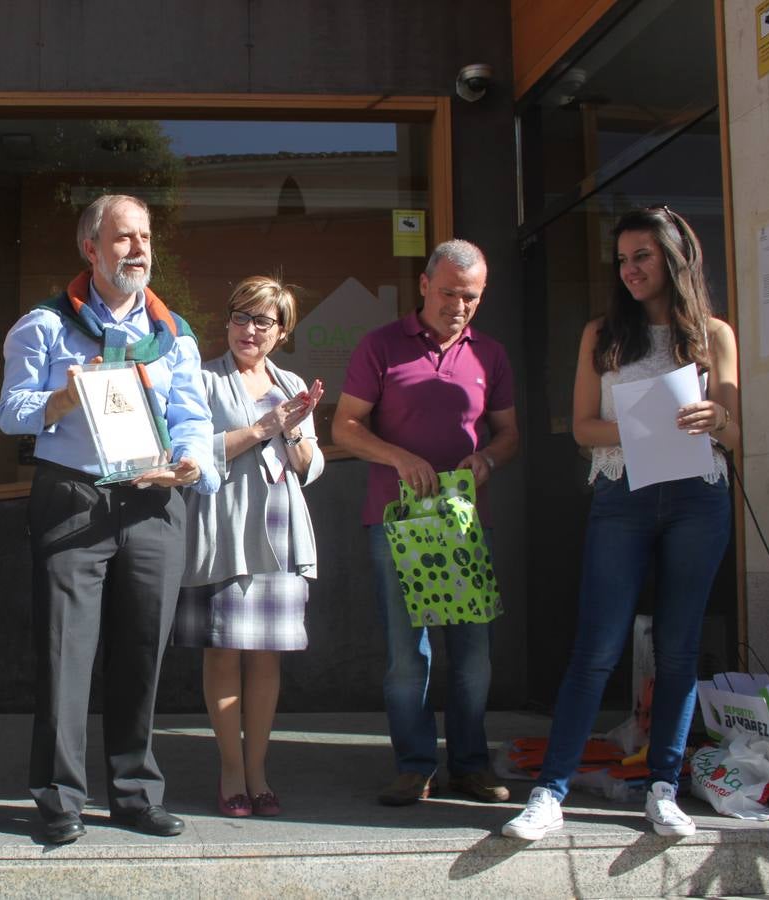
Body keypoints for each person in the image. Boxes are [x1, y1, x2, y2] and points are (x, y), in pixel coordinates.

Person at [502, 206, 738, 841]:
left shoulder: (714, 334)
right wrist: (653, 424)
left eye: (643, 256)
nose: (630, 269)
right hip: (623, 495)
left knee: (679, 648)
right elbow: (581, 429)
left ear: (674, 258)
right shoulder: (602, 333)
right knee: (597, 647)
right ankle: (548, 792)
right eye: (623, 258)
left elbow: (736, 432)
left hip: (698, 496)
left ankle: (663, 787)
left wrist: (713, 420)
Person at [0, 194, 219, 845]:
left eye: (144, 236)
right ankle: (60, 798)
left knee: (141, 652)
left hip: (154, 503)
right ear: (90, 248)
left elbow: (193, 419)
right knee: (66, 653)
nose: (138, 249)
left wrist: (187, 464)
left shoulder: (174, 333)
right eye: (123, 238)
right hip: (73, 496)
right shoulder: (41, 327)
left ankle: (133, 793)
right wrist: (67, 394)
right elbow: (11, 413)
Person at [332, 239, 519, 807]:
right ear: (424, 285)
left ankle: (469, 765)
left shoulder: (490, 354)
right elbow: (344, 427)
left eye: (471, 297)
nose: (458, 306)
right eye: (448, 293)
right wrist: (399, 458)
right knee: (407, 655)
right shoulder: (381, 346)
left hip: (462, 524)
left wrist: (488, 458)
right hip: (397, 522)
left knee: (473, 654)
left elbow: (509, 434)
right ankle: (414, 765)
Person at [173, 276, 325, 818]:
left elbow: (312, 467)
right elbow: (191, 455)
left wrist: (298, 432)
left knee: (267, 658)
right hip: (227, 528)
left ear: (281, 332)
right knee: (224, 653)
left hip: (282, 529)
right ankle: (231, 772)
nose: (249, 330)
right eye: (241, 316)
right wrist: (266, 427)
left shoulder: (290, 382)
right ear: (227, 320)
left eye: (263, 321)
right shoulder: (203, 379)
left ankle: (259, 771)